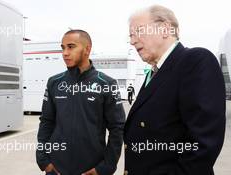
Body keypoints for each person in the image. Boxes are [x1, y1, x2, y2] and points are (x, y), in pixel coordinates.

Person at [124, 5, 226, 175]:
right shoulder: (155, 73)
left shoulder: (194, 61)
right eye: (131, 35)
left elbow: (203, 145)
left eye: (138, 31)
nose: (133, 41)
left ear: (165, 29)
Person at [36, 29, 126, 175]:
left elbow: (117, 128)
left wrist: (105, 167)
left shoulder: (107, 83)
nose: (65, 53)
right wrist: (43, 160)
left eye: (71, 47)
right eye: (63, 48)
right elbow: (46, 121)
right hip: (56, 168)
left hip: (91, 169)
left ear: (87, 49)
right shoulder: (54, 82)